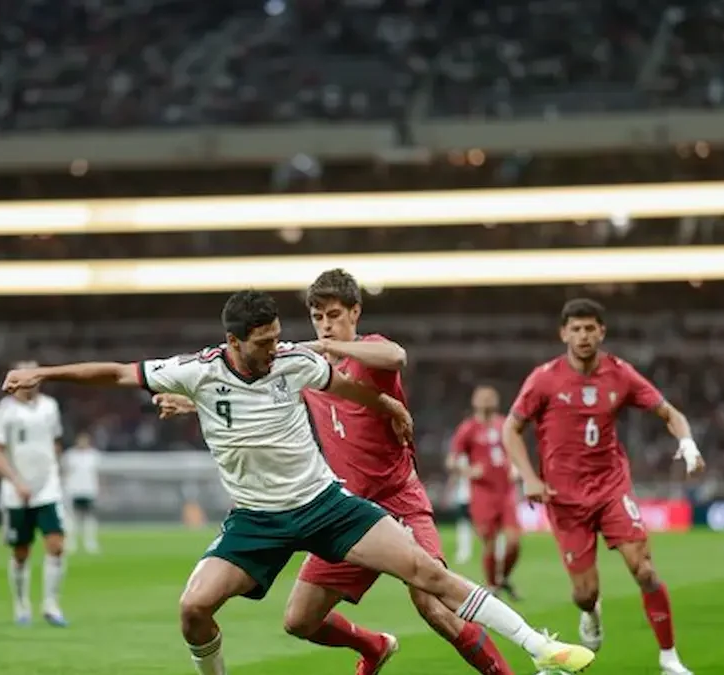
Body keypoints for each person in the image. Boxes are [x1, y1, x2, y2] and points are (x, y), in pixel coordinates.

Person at [2, 290, 596, 675]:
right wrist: (43, 373)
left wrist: (388, 409)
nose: (274, 349)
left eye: (276, 337)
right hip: (255, 521)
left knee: (428, 574)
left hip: (324, 505)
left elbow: (353, 387)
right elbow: (115, 372)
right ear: (234, 342)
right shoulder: (197, 372)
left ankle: (538, 647)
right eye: (262, 343)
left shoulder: (294, 360)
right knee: (193, 610)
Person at [159, 270, 519, 675]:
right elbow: (253, 396)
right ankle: (375, 646)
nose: (326, 325)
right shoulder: (305, 370)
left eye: (334, 314)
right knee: (300, 620)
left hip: (397, 502)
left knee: (432, 604)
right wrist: (191, 403)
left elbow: (396, 357)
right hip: (342, 513)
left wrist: (332, 347)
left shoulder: (371, 352)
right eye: (318, 317)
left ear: (355, 312)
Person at [503, 298, 704, 675]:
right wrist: (529, 476)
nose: (583, 336)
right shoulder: (544, 378)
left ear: (602, 332)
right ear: (563, 333)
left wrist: (688, 444)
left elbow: (669, 413)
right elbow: (510, 428)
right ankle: (591, 612)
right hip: (564, 498)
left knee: (643, 570)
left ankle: (669, 658)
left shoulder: (621, 374)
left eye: (590, 328)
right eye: (575, 329)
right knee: (584, 593)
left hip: (612, 488)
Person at [0, 360, 69, 627]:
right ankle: (21, 604)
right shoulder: (3, 411)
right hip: (16, 491)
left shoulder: (50, 407)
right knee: (21, 551)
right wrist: (16, 480)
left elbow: (55, 443)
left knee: (56, 545)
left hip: (47, 489)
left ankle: (51, 605)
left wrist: (53, 471)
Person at [451, 384, 522, 599]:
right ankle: (493, 586)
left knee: (513, 542)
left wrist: (516, 466)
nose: (486, 400)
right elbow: (452, 460)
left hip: (506, 491)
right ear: (474, 401)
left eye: (490, 396)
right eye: (482, 397)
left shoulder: (504, 425)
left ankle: (503, 577)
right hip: (482, 493)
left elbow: (516, 450)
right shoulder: (468, 428)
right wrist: (469, 470)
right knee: (489, 542)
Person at [62, 431, 102, 554]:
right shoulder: (70, 455)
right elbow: (65, 473)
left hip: (89, 491)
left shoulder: (94, 456)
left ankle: (90, 542)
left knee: (89, 518)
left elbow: (97, 474)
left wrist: (99, 489)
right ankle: (70, 543)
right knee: (72, 518)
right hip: (74, 490)